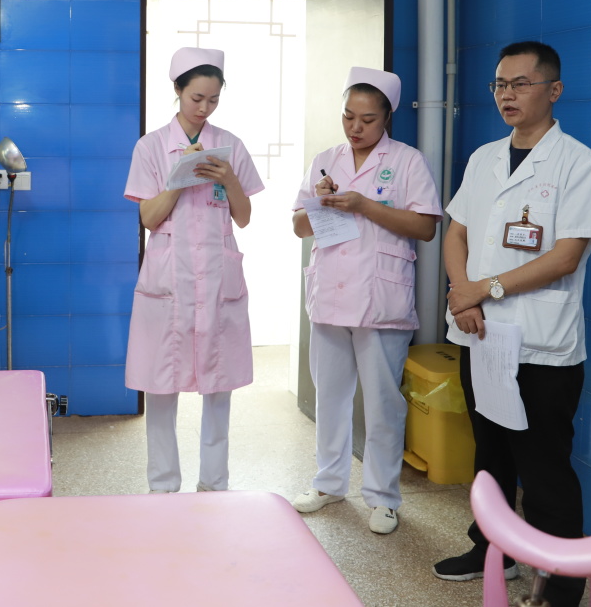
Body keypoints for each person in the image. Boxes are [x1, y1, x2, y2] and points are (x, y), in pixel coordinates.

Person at [432, 41, 591, 607]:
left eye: (519, 84)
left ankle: (562, 583)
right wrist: (463, 296)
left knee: (543, 468)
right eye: (499, 85)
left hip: (540, 346)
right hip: (479, 333)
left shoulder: (580, 165)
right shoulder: (483, 157)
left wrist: (482, 289)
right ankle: (493, 549)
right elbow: (457, 232)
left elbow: (565, 257)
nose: (506, 95)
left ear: (553, 90)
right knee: (489, 454)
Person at [289, 67, 442, 534]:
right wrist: (318, 204)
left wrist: (364, 205)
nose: (355, 128)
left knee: (381, 404)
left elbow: (426, 227)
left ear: (386, 118)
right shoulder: (325, 159)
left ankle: (382, 497)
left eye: (368, 119)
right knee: (330, 397)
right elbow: (298, 226)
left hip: (380, 299)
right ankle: (329, 483)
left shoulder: (408, 161)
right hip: (330, 295)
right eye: (348, 116)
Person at [124, 46, 264, 493]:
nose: (204, 108)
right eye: (196, 98)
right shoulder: (151, 147)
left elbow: (243, 217)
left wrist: (228, 178)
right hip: (168, 281)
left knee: (218, 388)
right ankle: (164, 486)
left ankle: (214, 484)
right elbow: (148, 218)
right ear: (178, 91)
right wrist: (180, 179)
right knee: (160, 387)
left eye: (213, 100)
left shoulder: (230, 146)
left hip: (217, 280)